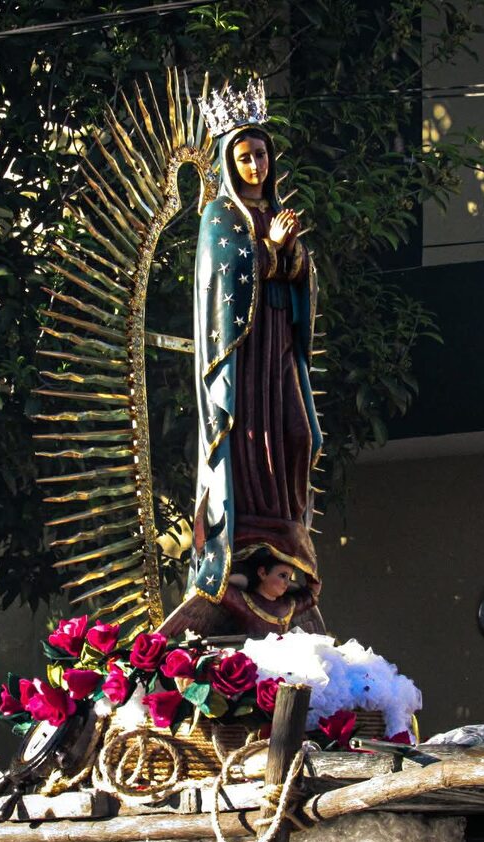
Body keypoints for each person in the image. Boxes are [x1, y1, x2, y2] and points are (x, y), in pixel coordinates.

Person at [163, 82, 326, 639]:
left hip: (278, 345)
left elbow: (300, 280)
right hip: (244, 354)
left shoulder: (276, 214)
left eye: (261, 154)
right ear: (229, 163)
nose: (255, 164)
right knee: (252, 435)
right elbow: (225, 278)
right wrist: (275, 251)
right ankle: (251, 529)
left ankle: (287, 521)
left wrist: (293, 256)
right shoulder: (218, 216)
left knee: (301, 435)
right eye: (244, 156)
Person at [160, 547, 324, 639]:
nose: (287, 582)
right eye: (282, 576)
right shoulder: (245, 601)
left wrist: (312, 585)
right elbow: (214, 589)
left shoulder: (288, 605)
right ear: (262, 573)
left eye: (289, 577)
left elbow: (308, 598)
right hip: (251, 663)